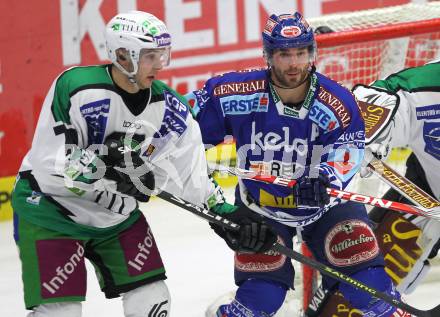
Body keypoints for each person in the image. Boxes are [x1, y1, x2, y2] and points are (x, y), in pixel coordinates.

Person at [11, 11, 276, 317]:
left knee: (153, 300)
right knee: (60, 313)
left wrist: (227, 216)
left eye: (163, 54)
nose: (160, 64)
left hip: (115, 217)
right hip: (50, 211)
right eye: (150, 56)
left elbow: (191, 176)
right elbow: (50, 162)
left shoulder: (170, 110)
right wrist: (104, 168)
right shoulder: (76, 87)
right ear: (122, 55)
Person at [185, 12, 411, 317]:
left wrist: (326, 181)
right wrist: (215, 206)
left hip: (327, 206)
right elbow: (179, 127)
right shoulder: (232, 93)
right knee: (261, 297)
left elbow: (350, 151)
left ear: (313, 52)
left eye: (302, 52)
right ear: (268, 55)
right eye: (284, 54)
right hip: (261, 207)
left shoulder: (337, 102)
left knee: (370, 287)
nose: (294, 64)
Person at [353, 60, 440, 295]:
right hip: (426, 192)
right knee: (359, 283)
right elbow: (380, 95)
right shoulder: (425, 86)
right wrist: (360, 134)